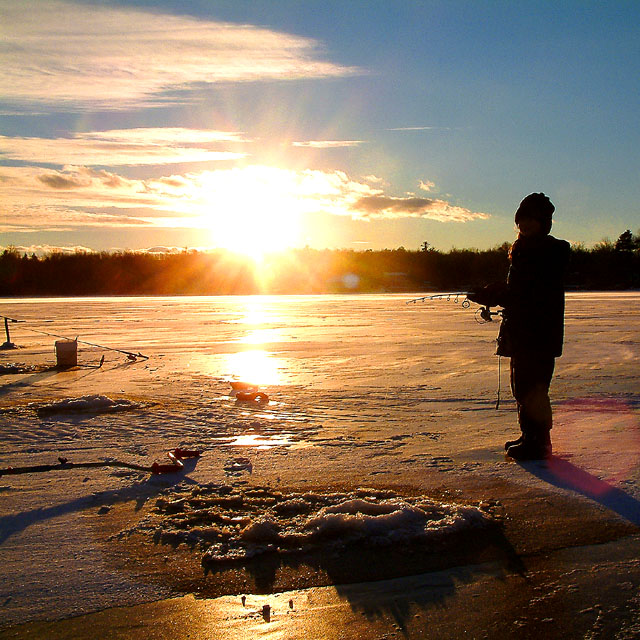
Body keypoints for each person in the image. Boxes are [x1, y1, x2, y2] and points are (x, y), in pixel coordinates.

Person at [468, 193, 570, 460]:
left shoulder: (545, 253)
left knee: (534, 387)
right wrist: (493, 293)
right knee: (522, 385)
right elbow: (517, 290)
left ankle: (539, 443)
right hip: (523, 329)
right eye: (521, 220)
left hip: (539, 331)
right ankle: (530, 435)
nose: (524, 225)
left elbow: (530, 294)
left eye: (531, 220)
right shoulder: (523, 250)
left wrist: (497, 295)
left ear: (543, 222)